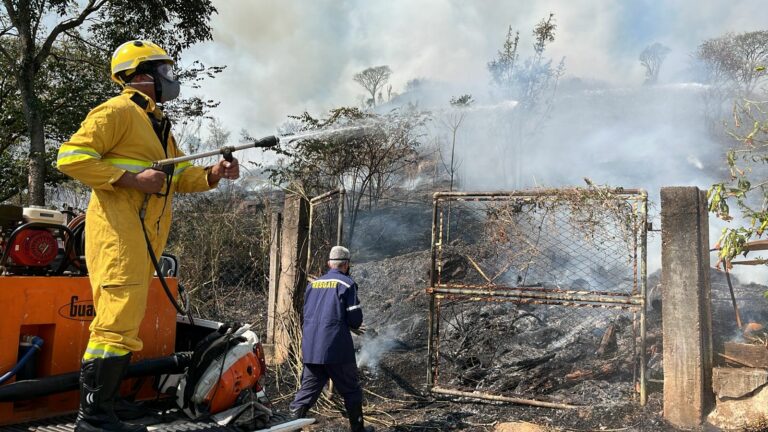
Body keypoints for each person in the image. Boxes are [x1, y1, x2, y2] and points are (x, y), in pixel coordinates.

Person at [57, 40, 239, 432]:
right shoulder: (117, 111)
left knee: (125, 324)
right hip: (118, 236)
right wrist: (132, 179)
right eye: (165, 71)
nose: (171, 78)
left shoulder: (157, 124)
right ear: (141, 75)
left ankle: (107, 405)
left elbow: (177, 176)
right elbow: (70, 157)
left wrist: (213, 174)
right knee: (114, 324)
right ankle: (94, 418)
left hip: (141, 239)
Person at [289, 246, 374, 432]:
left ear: (329, 264)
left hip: (311, 348)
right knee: (351, 390)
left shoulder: (313, 285)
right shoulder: (347, 284)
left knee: (306, 393)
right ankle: (358, 430)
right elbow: (355, 320)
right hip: (336, 350)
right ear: (346, 264)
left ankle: (289, 428)